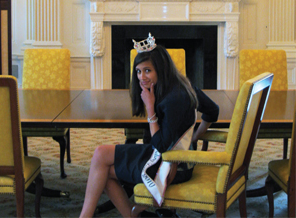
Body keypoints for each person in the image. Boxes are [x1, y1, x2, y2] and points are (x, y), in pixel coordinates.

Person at [79, 34, 219, 218]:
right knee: (101, 166)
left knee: (101, 164)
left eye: (147, 70)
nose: (141, 77)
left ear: (161, 69)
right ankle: (130, 214)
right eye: (138, 71)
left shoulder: (173, 99)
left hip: (171, 165)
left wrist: (151, 108)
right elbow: (212, 111)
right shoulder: (182, 85)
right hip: (173, 158)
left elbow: (160, 146)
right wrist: (195, 136)